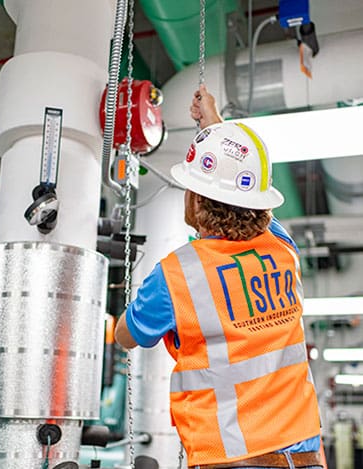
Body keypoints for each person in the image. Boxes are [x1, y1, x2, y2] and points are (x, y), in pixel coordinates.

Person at [115, 84, 324, 469]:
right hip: (306, 456)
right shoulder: (283, 248)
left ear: (195, 199)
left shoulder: (177, 274)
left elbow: (127, 336)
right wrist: (216, 129)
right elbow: (246, 196)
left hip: (231, 458)